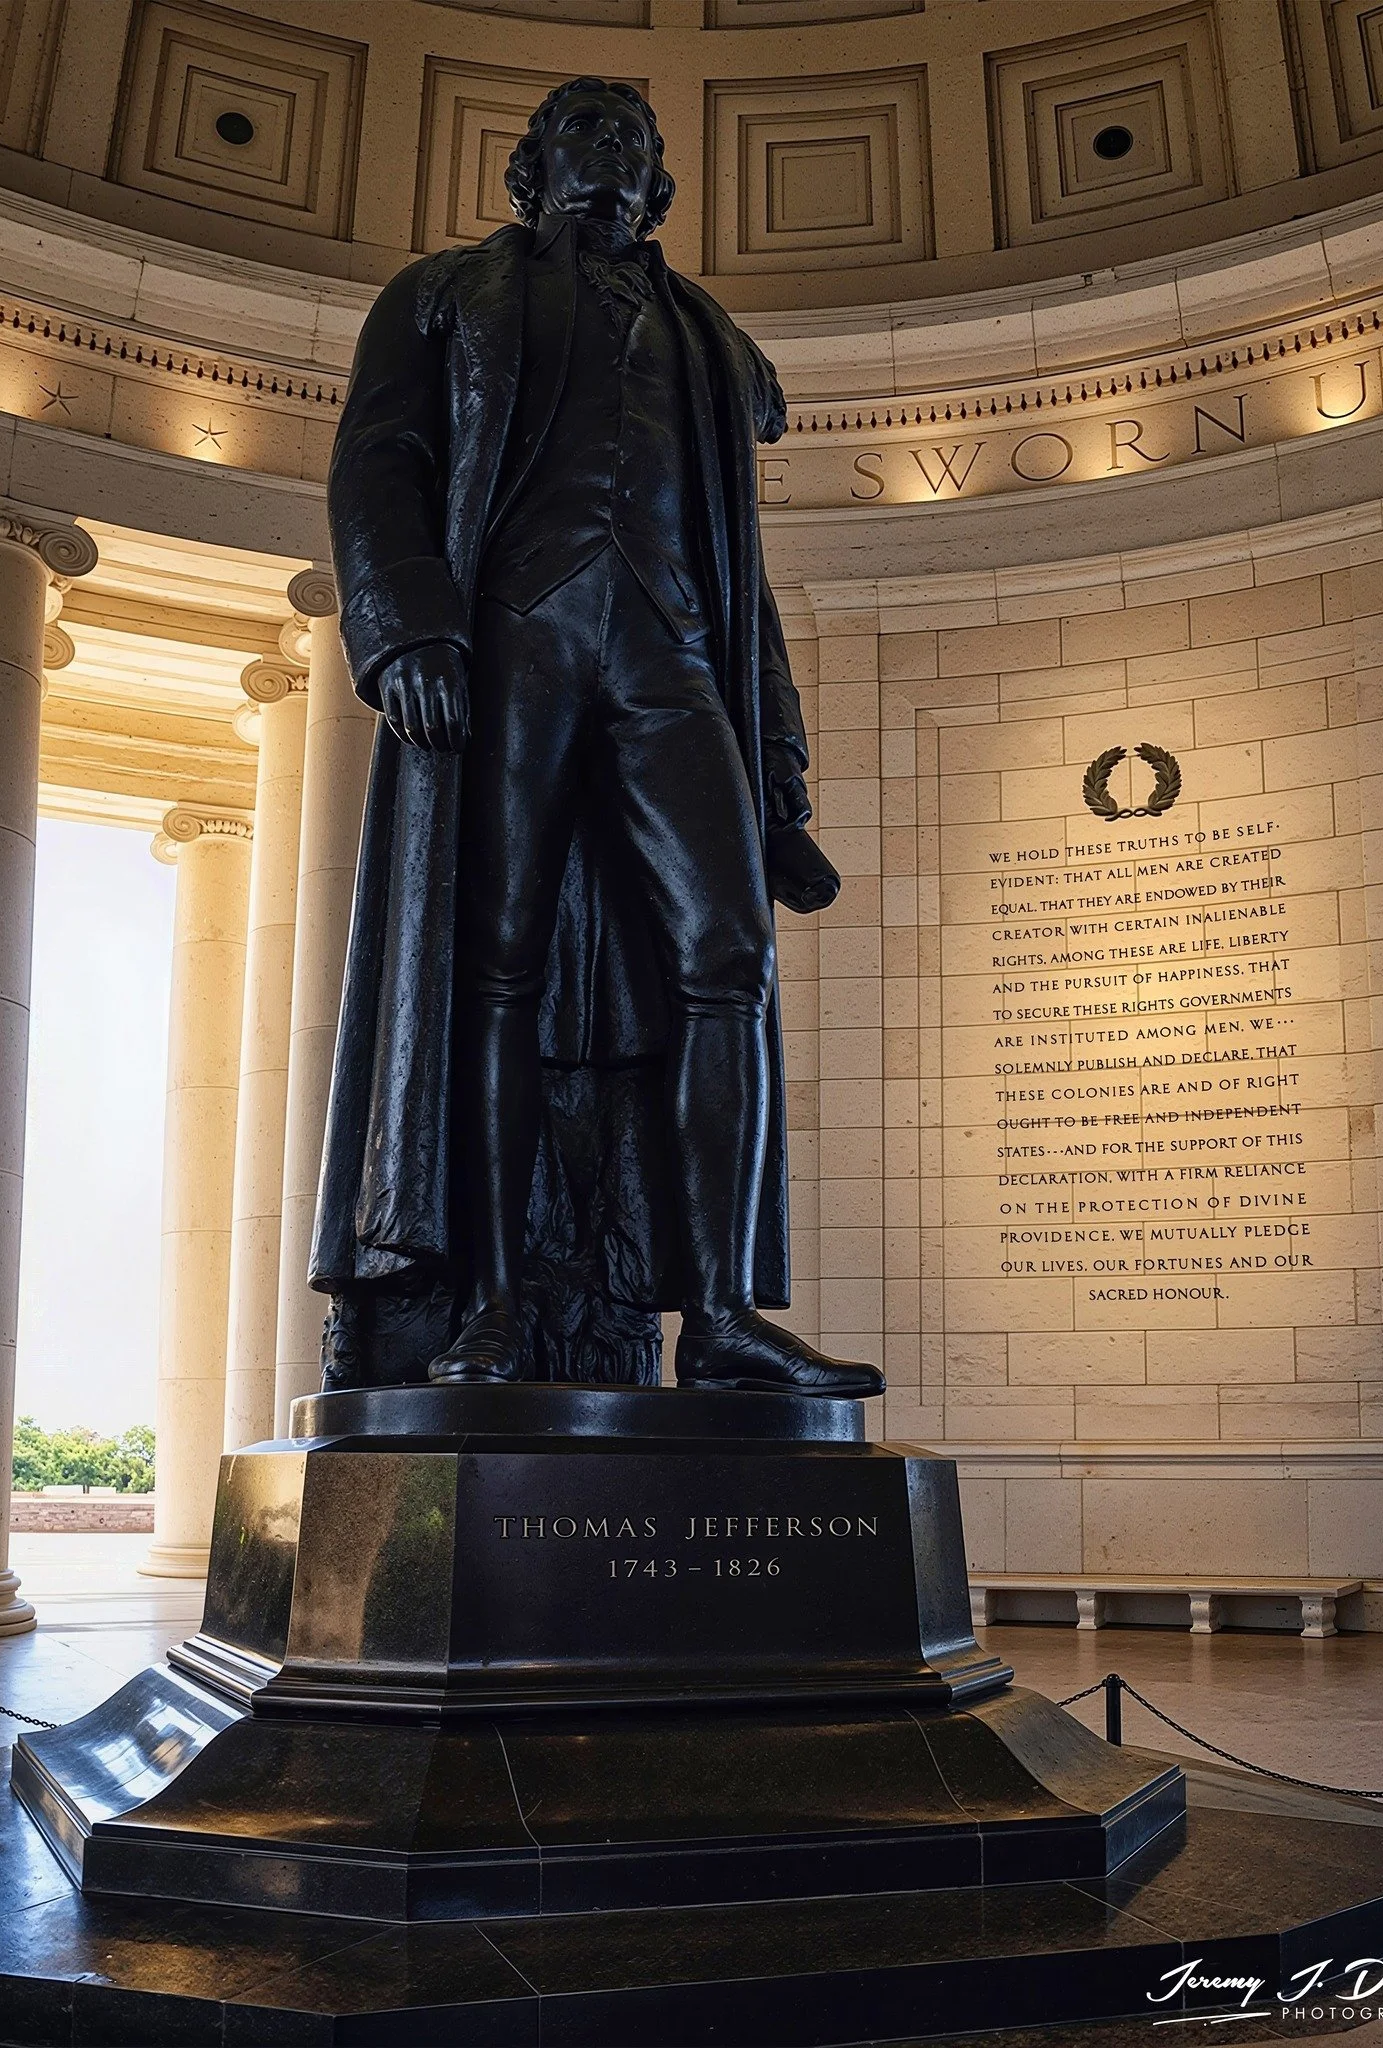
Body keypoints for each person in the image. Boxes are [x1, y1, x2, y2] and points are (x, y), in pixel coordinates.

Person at [313, 78, 883, 1398]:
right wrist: (406, 630)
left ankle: (726, 1318)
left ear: (663, 187)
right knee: (495, 968)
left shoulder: (708, 338)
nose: (611, 157)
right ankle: (497, 1301)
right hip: (513, 646)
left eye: (633, 141)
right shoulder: (444, 297)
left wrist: (779, 771)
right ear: (529, 171)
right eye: (584, 133)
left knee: (727, 955)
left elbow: (740, 571)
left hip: (671, 657)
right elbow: (377, 463)